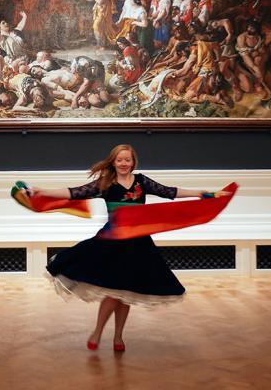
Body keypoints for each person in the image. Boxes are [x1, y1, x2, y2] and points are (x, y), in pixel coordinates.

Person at [29, 144, 228, 352]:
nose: (124, 163)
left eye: (127, 160)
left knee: (126, 291)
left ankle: (118, 337)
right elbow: (73, 193)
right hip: (112, 242)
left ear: (133, 162)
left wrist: (204, 193)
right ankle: (97, 333)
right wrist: (41, 191)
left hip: (138, 244)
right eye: (119, 160)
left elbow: (170, 192)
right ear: (113, 162)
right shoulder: (105, 183)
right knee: (114, 292)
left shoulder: (142, 182)